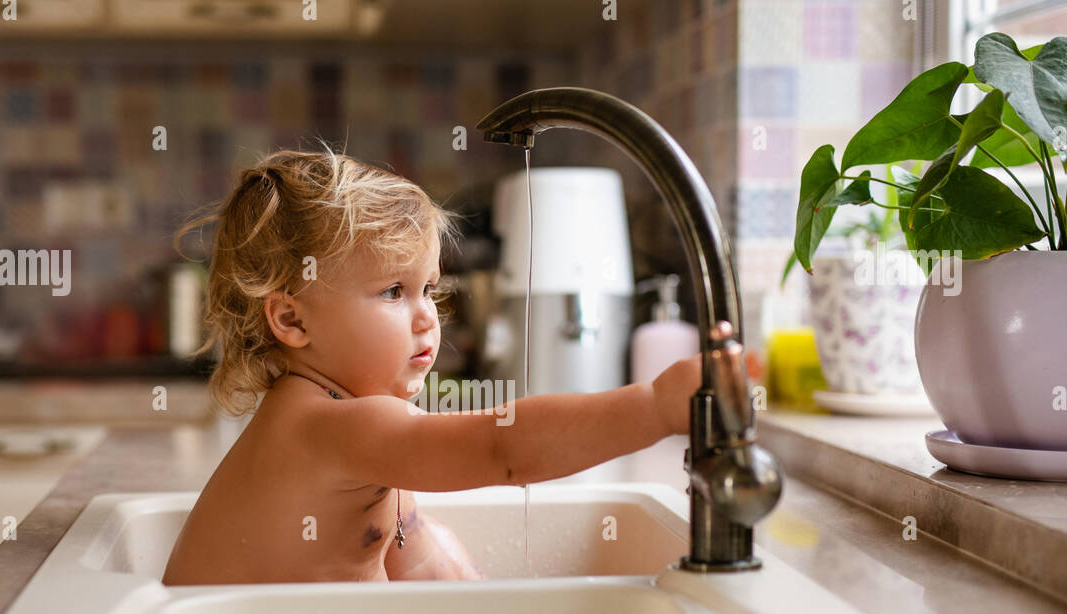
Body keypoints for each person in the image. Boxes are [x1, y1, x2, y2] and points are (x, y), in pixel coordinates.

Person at [160, 145, 702, 585]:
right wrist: (654, 407)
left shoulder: (360, 427)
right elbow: (502, 449)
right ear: (292, 321)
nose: (427, 319)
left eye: (429, 291)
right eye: (393, 291)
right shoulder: (327, 426)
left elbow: (415, 556)